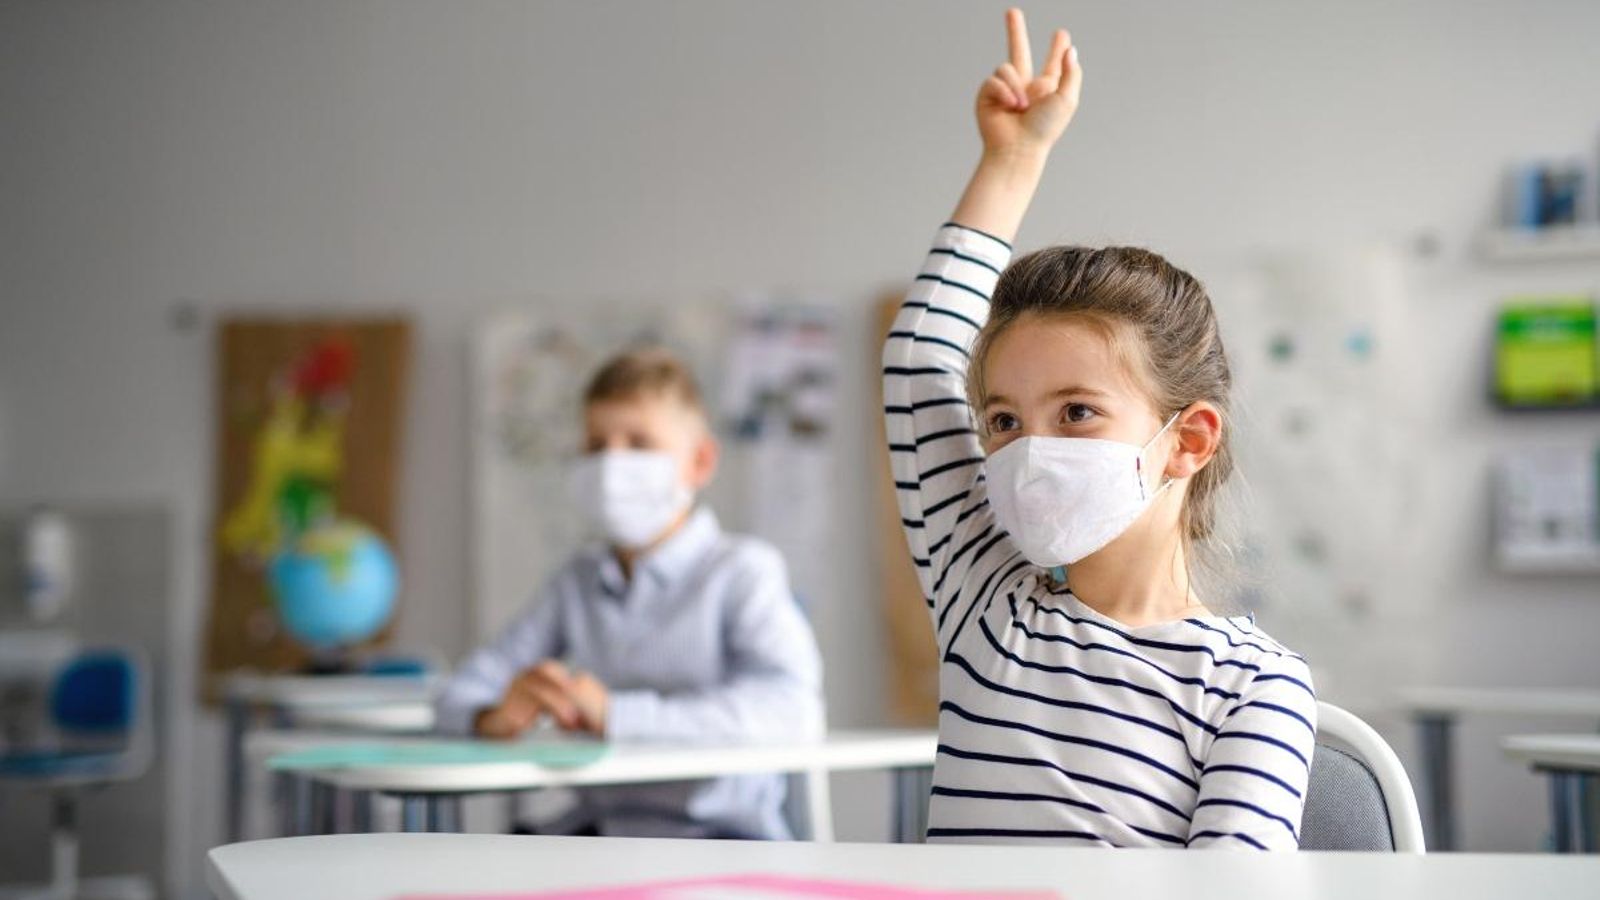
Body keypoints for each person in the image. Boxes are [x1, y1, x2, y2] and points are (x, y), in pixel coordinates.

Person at [882, 9, 1316, 850]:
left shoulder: (1252, 684)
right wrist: (1011, 160)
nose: (1029, 449)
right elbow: (919, 363)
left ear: (1187, 441)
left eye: (1076, 412)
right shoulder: (987, 601)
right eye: (1003, 419)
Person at [436, 346, 824, 839]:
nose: (612, 465)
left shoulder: (743, 571)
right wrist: (493, 716)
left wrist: (619, 716)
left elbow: (791, 710)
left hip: (722, 840)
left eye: (639, 443)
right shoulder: (576, 579)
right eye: (595, 446)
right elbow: (456, 694)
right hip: (602, 835)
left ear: (700, 461)